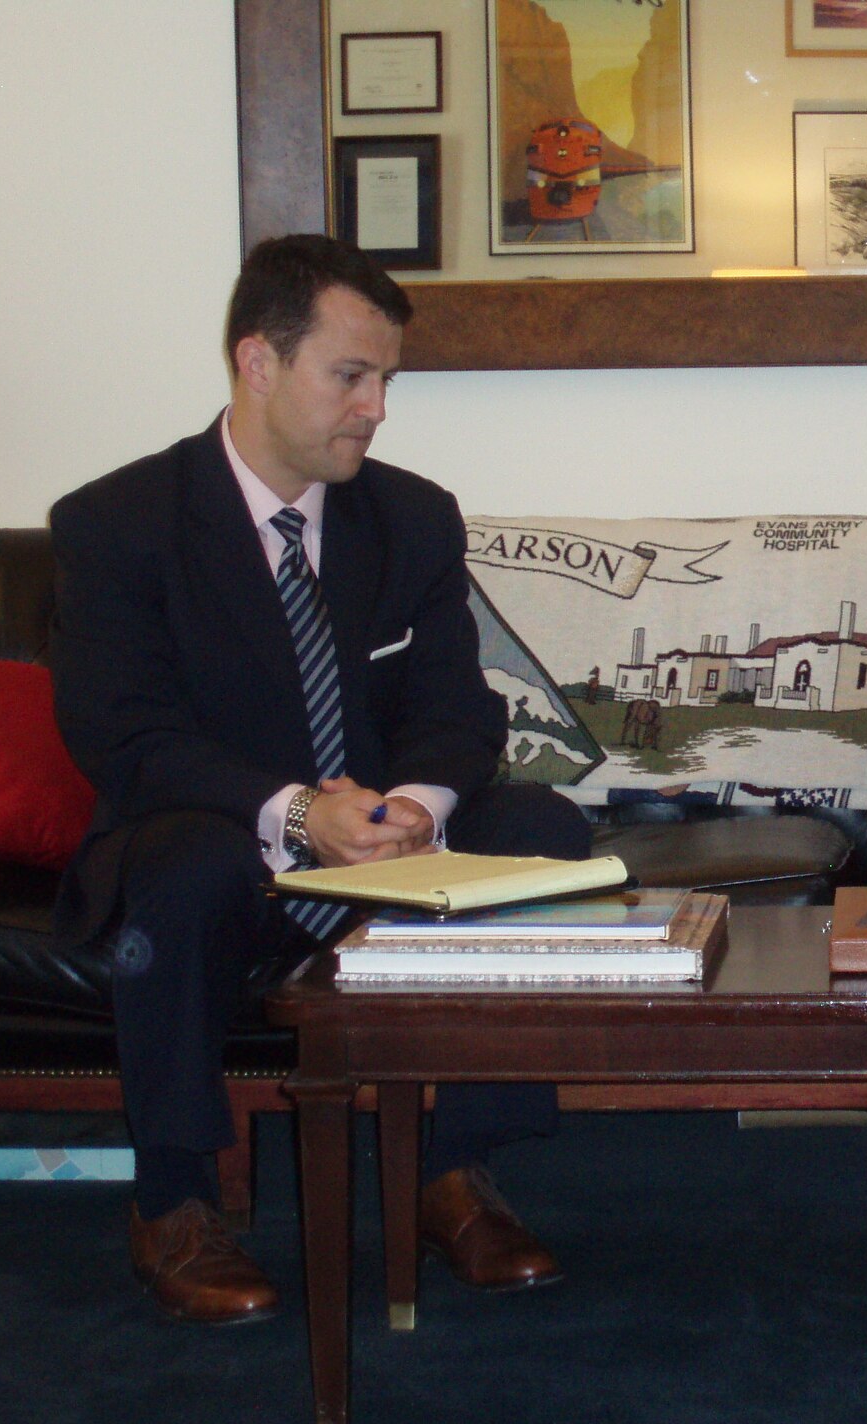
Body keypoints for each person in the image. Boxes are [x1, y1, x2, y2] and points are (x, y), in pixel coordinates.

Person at [51, 236, 592, 1325]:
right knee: (190, 864)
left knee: (543, 826)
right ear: (257, 361)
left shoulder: (412, 518)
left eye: (386, 379)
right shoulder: (118, 524)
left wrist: (413, 813)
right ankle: (176, 1201)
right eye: (350, 375)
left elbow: (459, 711)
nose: (375, 407)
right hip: (220, 840)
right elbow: (125, 736)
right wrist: (302, 813)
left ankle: (452, 1174)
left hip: (388, 849)